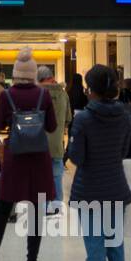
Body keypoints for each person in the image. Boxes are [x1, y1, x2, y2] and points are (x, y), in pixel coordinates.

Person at [67, 64, 131, 261]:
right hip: (116, 188)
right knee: (115, 246)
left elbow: (77, 157)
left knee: (95, 249)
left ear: (91, 90)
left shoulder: (83, 119)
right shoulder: (123, 115)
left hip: (90, 191)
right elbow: (123, 150)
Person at [0, 48, 56, 261]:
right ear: (33, 73)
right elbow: (52, 126)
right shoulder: (43, 95)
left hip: (15, 156)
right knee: (36, 211)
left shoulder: (7, 95)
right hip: (39, 159)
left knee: (4, 208)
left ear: (15, 73)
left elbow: (0, 124)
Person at [37, 65, 71, 214]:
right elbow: (69, 118)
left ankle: (44, 206)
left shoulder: (37, 94)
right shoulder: (63, 94)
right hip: (57, 143)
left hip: (39, 143)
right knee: (57, 175)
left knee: (41, 176)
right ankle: (57, 205)